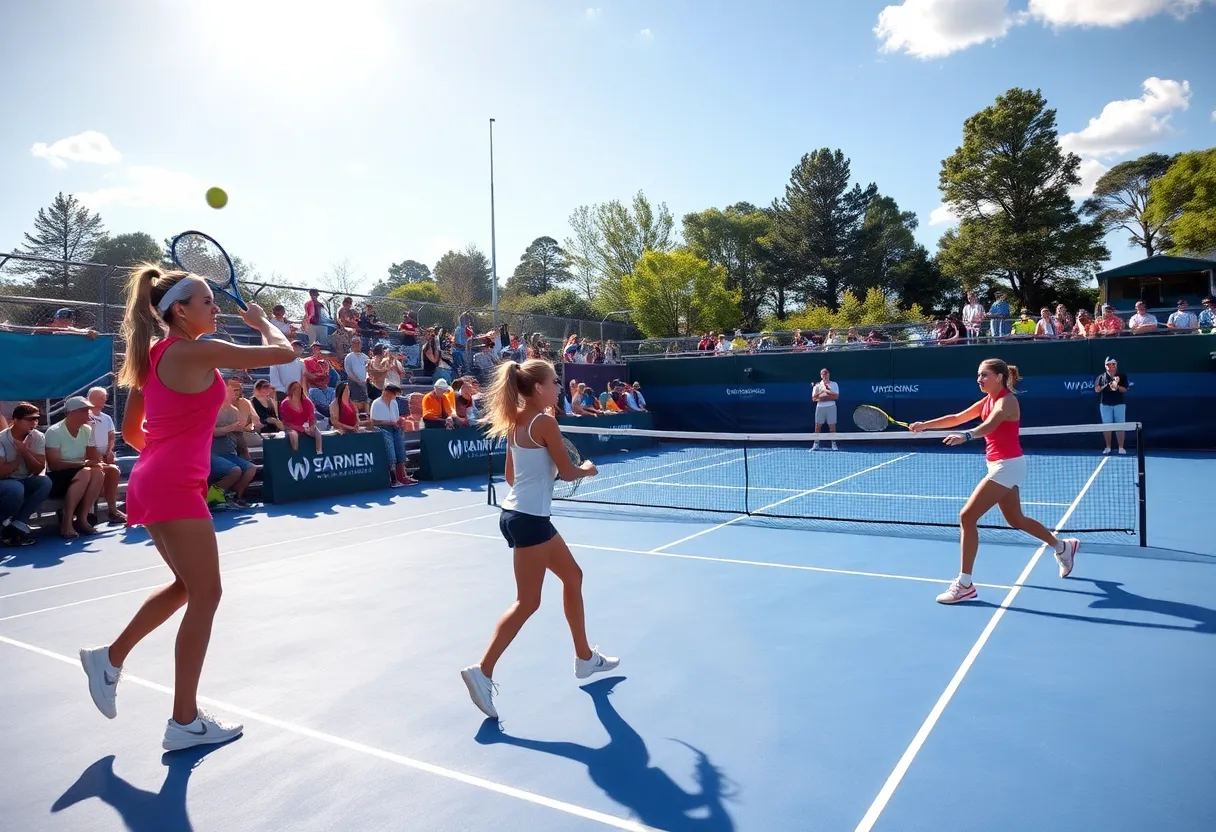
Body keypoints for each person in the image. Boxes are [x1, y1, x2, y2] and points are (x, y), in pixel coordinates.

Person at [79, 264, 295, 751]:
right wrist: (262, 321)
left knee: (186, 587)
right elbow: (285, 355)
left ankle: (108, 658)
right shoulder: (198, 351)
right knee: (207, 594)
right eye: (206, 301)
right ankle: (183, 721)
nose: (215, 308)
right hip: (173, 484)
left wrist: (169, 454)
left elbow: (132, 432)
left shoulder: (155, 355)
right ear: (179, 309)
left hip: (155, 480)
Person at [460, 359, 618, 719]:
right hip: (530, 520)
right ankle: (482, 671)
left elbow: (511, 477)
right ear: (537, 388)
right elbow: (569, 472)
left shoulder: (515, 421)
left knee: (573, 576)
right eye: (554, 382)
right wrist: (588, 469)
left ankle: (584, 658)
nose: (559, 388)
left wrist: (541, 477)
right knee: (528, 601)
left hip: (518, 515)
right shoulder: (545, 422)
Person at [909, 359, 1080, 605]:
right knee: (1016, 519)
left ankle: (965, 585)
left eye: (984, 375)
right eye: (978, 375)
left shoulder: (1007, 401)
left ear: (999, 377)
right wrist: (925, 425)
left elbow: (990, 425)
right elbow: (957, 417)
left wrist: (967, 435)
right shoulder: (987, 400)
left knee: (967, 516)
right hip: (998, 464)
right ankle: (1062, 547)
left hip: (1007, 466)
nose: (979, 379)